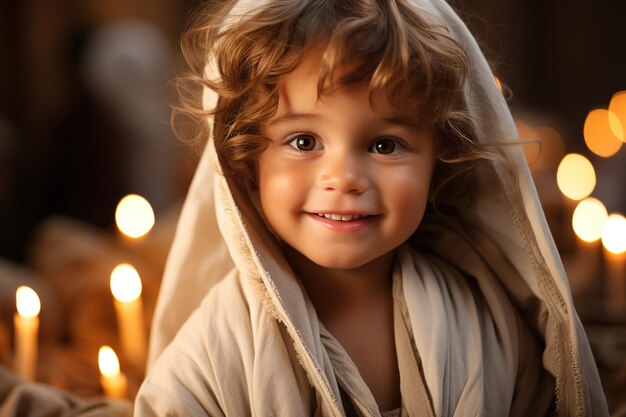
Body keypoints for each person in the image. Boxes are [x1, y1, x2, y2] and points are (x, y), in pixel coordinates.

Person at [135, 0, 608, 416]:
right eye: (303, 141)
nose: (343, 177)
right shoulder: (211, 356)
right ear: (244, 160)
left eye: (385, 144)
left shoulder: (489, 324)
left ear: (437, 161)